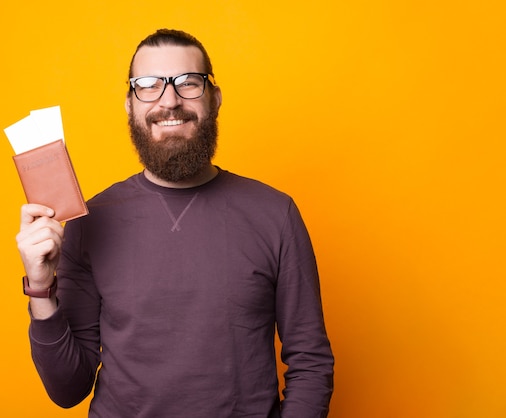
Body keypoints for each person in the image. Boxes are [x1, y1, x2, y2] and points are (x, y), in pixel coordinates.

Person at [16, 28, 334, 418]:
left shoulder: (275, 214)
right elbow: (68, 389)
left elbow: (311, 364)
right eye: (148, 85)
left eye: (188, 83)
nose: (170, 101)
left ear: (214, 99)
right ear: (130, 105)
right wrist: (42, 288)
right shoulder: (88, 220)